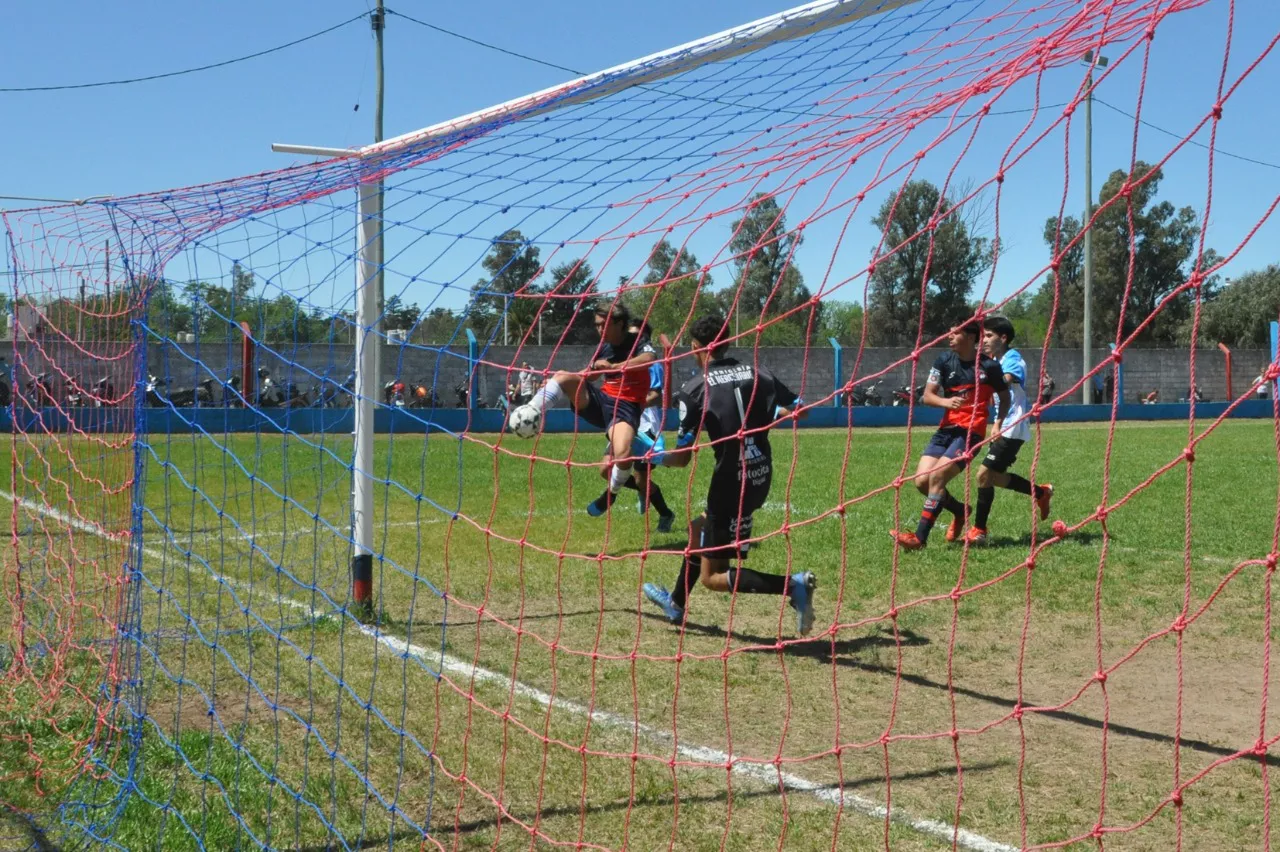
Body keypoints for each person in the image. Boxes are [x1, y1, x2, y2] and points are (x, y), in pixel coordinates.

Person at [641, 314, 816, 635]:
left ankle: (794, 586)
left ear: (696, 348)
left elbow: (680, 460)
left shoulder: (694, 389)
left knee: (713, 576)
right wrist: (775, 413)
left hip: (731, 483)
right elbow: (802, 408)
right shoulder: (760, 373)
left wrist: (649, 455)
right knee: (697, 530)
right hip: (760, 473)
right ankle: (676, 605)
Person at [522, 303, 657, 515]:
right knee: (563, 375)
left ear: (620, 324)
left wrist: (615, 367)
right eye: (597, 325)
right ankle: (531, 411)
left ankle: (610, 494)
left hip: (626, 407)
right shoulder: (603, 347)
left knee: (621, 455)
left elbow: (649, 358)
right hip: (601, 401)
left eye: (604, 325)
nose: (600, 330)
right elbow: (590, 375)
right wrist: (556, 383)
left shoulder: (637, 341)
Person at [891, 320, 1010, 550]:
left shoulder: (989, 367)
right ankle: (959, 510)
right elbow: (927, 396)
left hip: (971, 433)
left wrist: (997, 423)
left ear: (971, 337)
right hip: (946, 430)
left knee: (937, 479)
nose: (949, 336)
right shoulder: (944, 361)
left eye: (955, 332)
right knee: (921, 482)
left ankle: (919, 538)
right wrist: (946, 402)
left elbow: (1005, 398)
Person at [964, 316, 1054, 545]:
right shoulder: (995, 359)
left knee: (982, 475)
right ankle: (1041, 493)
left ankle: (979, 530)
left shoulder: (1013, 359)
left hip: (1012, 425)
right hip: (1003, 424)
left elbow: (1004, 381)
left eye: (989, 336)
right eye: (982, 336)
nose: (983, 340)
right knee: (993, 477)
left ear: (1003, 338)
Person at [590, 320, 677, 532]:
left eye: (635, 336)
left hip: (645, 426)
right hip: (622, 422)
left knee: (641, 480)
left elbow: (658, 395)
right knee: (605, 470)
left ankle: (665, 513)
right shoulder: (618, 357)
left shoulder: (651, 364)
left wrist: (634, 404)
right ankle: (641, 491)